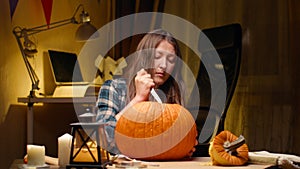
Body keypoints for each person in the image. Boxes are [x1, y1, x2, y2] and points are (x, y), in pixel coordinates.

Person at [96, 29, 196, 156]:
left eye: (171, 59)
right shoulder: (113, 88)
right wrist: (138, 99)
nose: (164, 65)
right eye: (157, 57)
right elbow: (105, 140)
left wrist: (185, 145)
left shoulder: (173, 96)